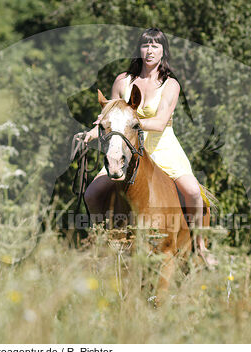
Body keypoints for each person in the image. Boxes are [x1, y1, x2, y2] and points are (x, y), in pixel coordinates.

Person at [83, 28, 217, 267]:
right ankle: (101, 242)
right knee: (92, 193)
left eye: (156, 46)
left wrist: (132, 123)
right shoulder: (123, 81)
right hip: (126, 145)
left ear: (163, 51)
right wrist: (93, 132)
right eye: (146, 45)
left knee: (193, 192)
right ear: (139, 50)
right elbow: (107, 116)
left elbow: (160, 122)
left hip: (161, 145)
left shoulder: (170, 85)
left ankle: (201, 245)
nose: (150, 51)